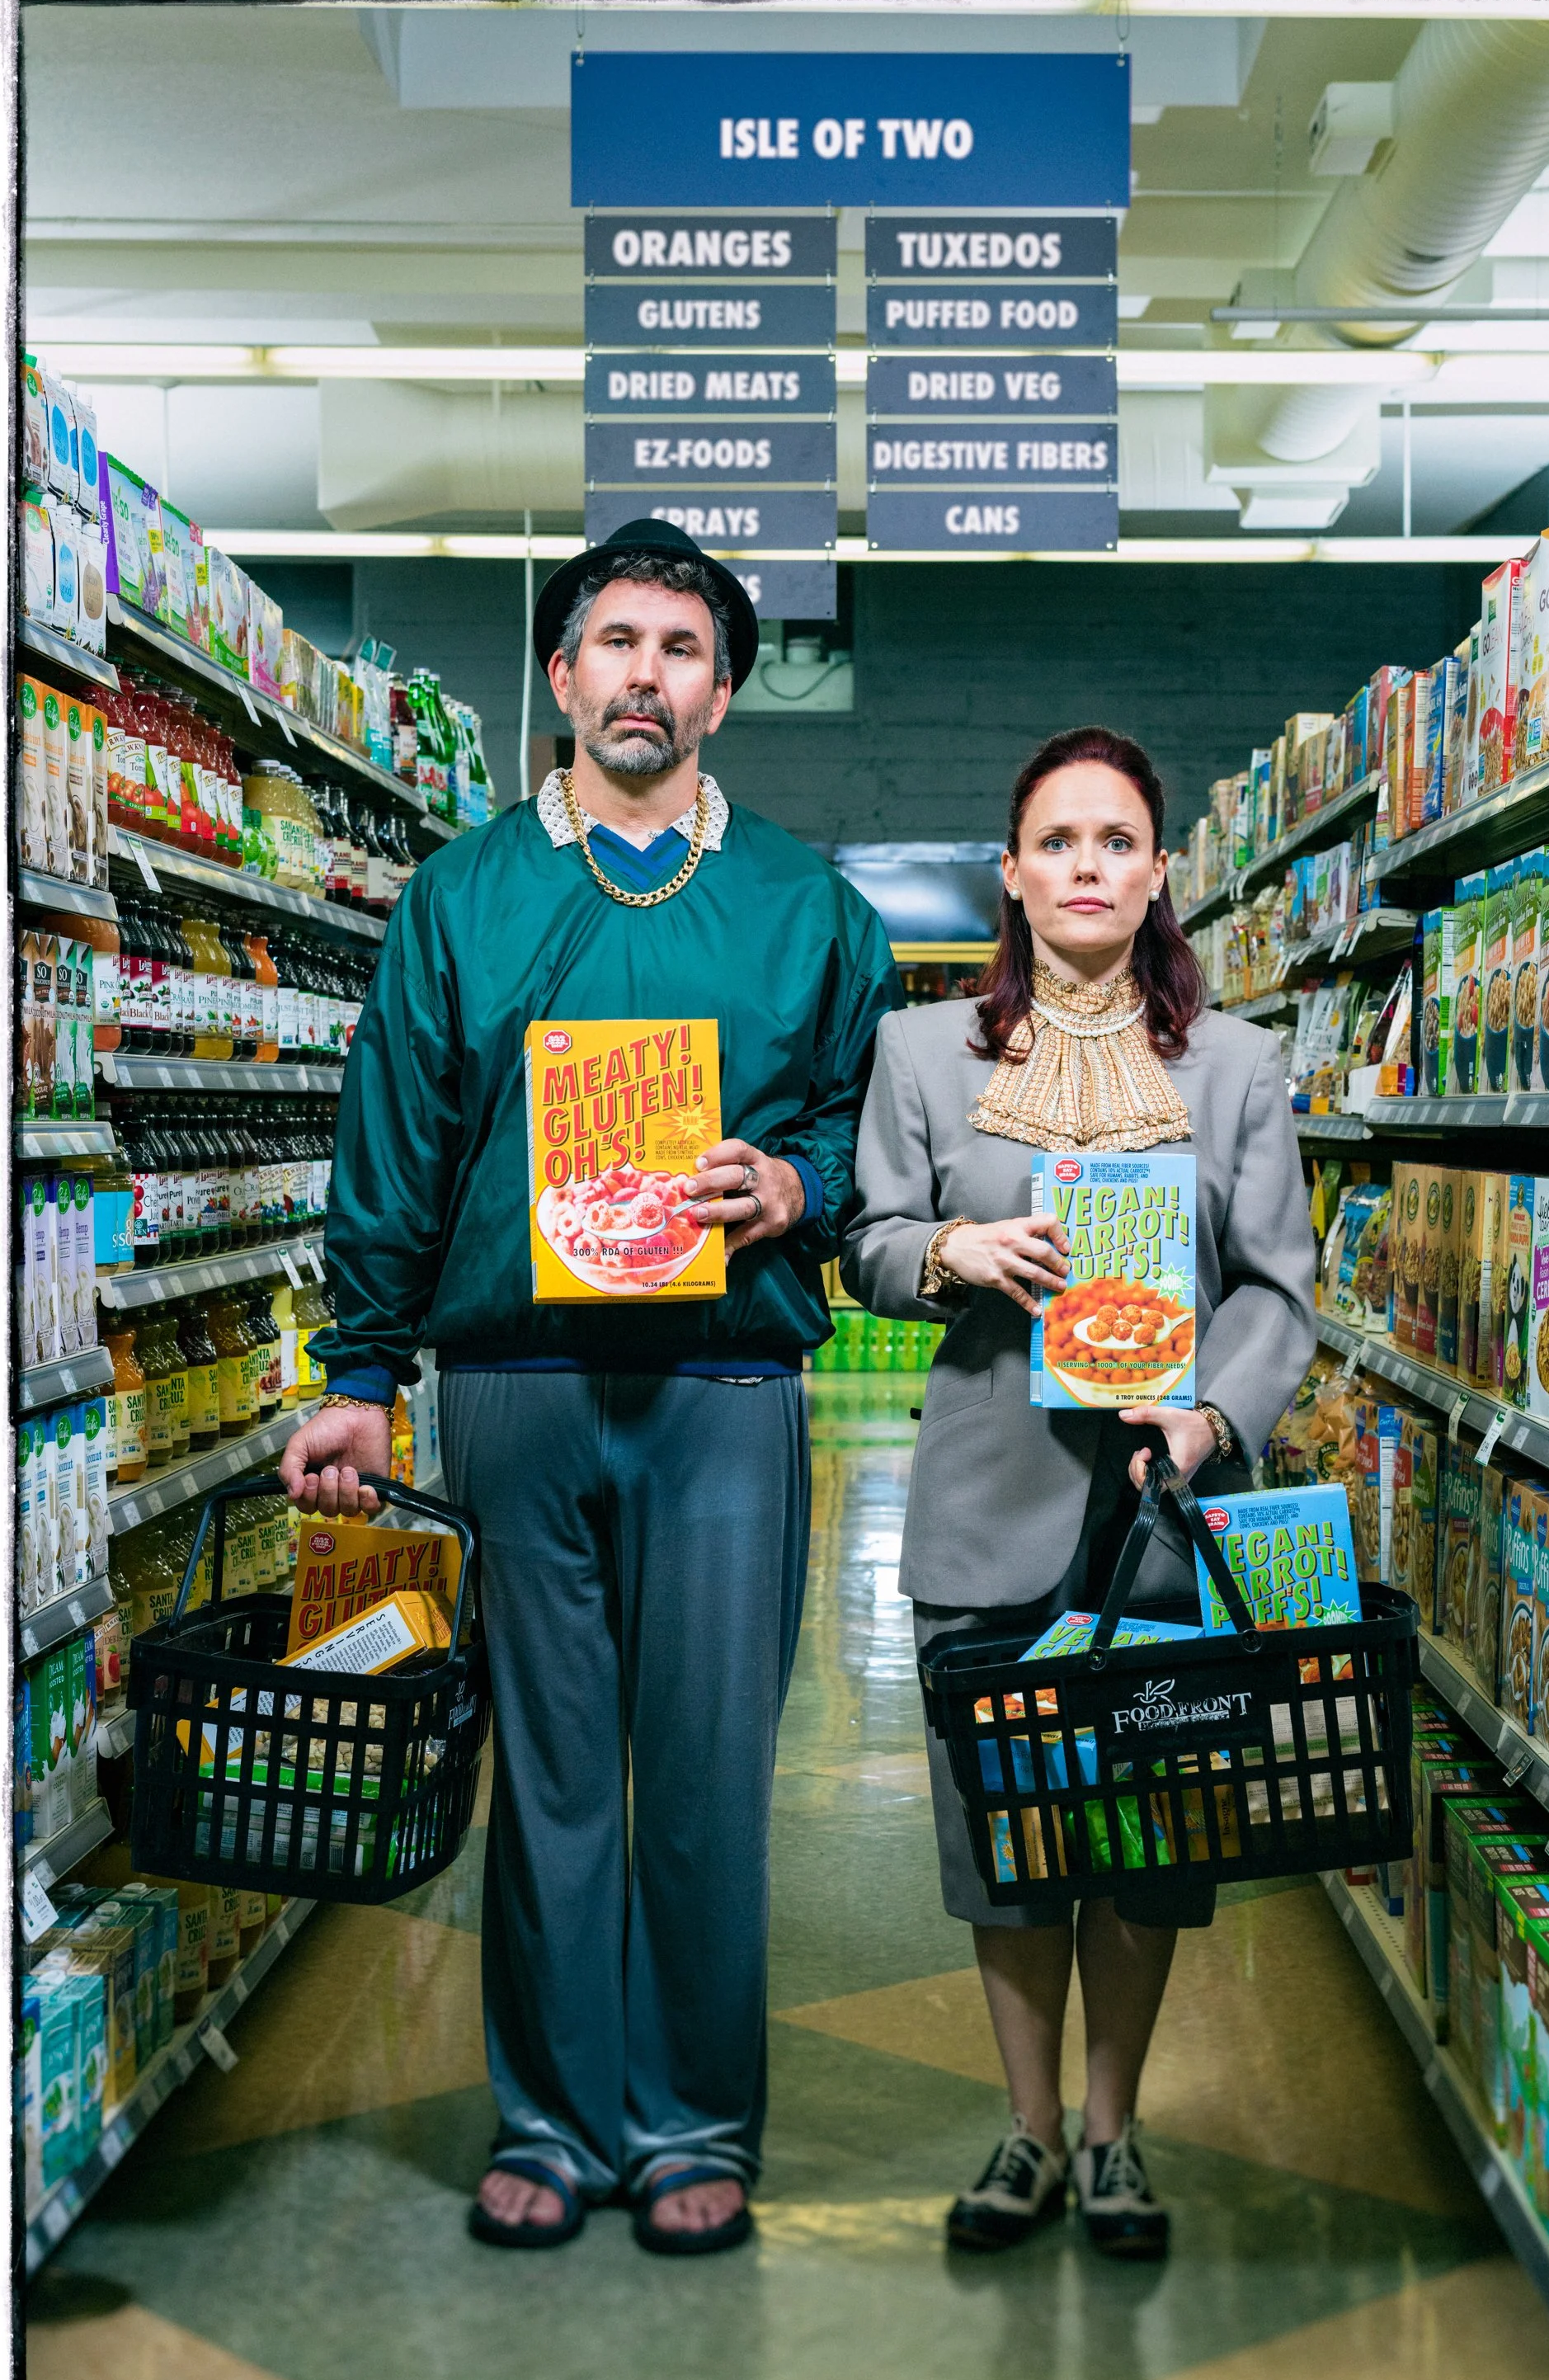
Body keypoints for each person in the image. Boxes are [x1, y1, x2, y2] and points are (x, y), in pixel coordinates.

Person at [281, 519, 903, 2259]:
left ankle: (693, 2117)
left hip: (721, 1386)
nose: (646, 673)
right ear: (558, 676)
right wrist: (357, 1374)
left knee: (705, 1768)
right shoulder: (465, 896)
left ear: (723, 688)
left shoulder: (807, 907)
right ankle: (552, 2115)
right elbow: (392, 1148)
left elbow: (872, 1125)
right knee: (550, 1770)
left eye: (682, 648)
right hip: (517, 1386)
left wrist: (801, 1185)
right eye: (614, 642)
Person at [841, 723, 1316, 2262]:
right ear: (1014, 872)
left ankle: (1114, 2135)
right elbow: (868, 1238)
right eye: (1059, 841)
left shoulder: (1235, 1065)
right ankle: (1029, 2130)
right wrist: (947, 1256)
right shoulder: (925, 1055)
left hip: (1163, 1523)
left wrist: (1213, 1418)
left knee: (1149, 1845)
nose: (1087, 867)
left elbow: (1277, 1292)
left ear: (1159, 871)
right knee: (1007, 1848)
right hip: (986, 1502)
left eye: (1116, 841)